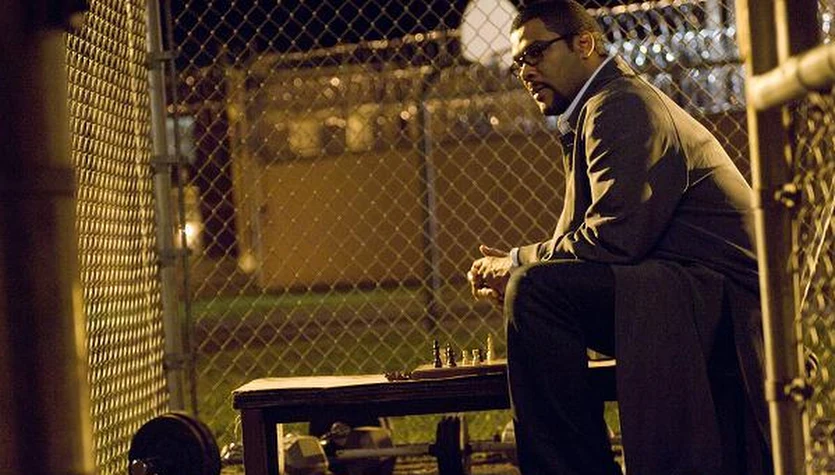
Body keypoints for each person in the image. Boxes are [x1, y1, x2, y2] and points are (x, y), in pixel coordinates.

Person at [466, 1, 771, 474]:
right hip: (687, 289)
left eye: (536, 53)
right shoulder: (598, 106)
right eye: (519, 61)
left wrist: (519, 263)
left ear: (584, 44)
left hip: (726, 301)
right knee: (533, 289)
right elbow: (589, 244)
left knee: (535, 291)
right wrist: (524, 269)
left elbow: (615, 238)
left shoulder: (619, 104)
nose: (525, 71)